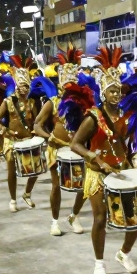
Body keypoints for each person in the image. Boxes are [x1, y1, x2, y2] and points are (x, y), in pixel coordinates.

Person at [67, 52, 137, 274]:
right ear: (103, 93)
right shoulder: (93, 117)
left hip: (122, 172)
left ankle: (124, 253)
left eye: (118, 90)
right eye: (111, 91)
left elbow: (133, 140)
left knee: (136, 218)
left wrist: (136, 155)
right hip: (98, 174)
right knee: (100, 219)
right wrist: (95, 159)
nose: (116, 95)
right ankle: (99, 263)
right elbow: (75, 144)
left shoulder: (128, 115)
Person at [33, 63, 86, 236]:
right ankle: (54, 221)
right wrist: (49, 137)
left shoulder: (83, 104)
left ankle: (74, 215)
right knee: (56, 186)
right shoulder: (53, 103)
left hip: (78, 150)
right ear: (60, 86)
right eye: (66, 85)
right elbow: (37, 125)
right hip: (56, 151)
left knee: (85, 186)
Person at [0, 67, 40, 213]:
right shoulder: (8, 102)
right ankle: (13, 200)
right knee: (11, 171)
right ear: (16, 86)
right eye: (21, 86)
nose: (23, 89)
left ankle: (27, 193)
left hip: (28, 139)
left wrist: (36, 132)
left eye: (26, 86)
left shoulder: (32, 102)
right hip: (11, 140)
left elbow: (37, 121)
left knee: (35, 171)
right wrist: (3, 128)